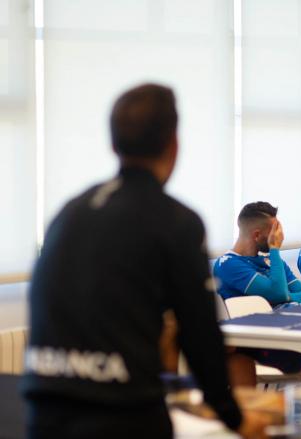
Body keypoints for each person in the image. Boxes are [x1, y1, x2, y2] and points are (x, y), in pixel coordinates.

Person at [21, 84, 258, 438]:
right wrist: (234, 419)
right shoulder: (175, 220)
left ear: (113, 145)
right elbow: (199, 332)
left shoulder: (69, 213)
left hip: (42, 413)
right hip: (120, 417)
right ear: (174, 144)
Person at [214, 201, 301, 309]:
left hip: (292, 319)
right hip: (259, 323)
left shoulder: (272, 260)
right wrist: (274, 248)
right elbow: (278, 294)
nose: (279, 236)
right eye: (274, 232)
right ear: (257, 235)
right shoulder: (228, 264)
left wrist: (286, 296)